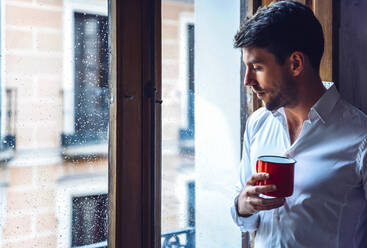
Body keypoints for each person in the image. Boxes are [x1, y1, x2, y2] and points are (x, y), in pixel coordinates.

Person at [231, 1, 367, 247]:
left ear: (295, 63)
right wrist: (244, 205)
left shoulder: (360, 138)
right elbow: (247, 221)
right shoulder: (257, 124)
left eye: (257, 67)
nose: (247, 81)